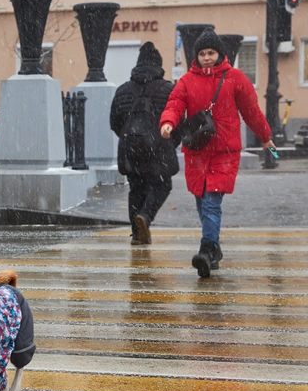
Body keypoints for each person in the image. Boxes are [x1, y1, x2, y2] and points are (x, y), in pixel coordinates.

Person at [159, 29, 275, 278]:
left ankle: (206, 249)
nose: (206, 58)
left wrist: (266, 137)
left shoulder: (235, 78)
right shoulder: (187, 80)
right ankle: (214, 250)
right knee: (202, 203)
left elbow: (251, 111)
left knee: (212, 202)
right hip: (197, 150)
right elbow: (175, 103)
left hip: (224, 151)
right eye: (202, 54)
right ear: (196, 56)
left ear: (219, 53)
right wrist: (167, 122)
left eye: (211, 53)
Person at [110, 42, 179, 246]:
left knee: (136, 188)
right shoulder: (168, 89)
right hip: (158, 148)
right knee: (162, 185)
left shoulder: (123, 90)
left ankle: (137, 233)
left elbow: (114, 122)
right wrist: (168, 141)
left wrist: (132, 137)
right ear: (158, 65)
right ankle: (146, 217)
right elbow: (179, 120)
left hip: (130, 149)